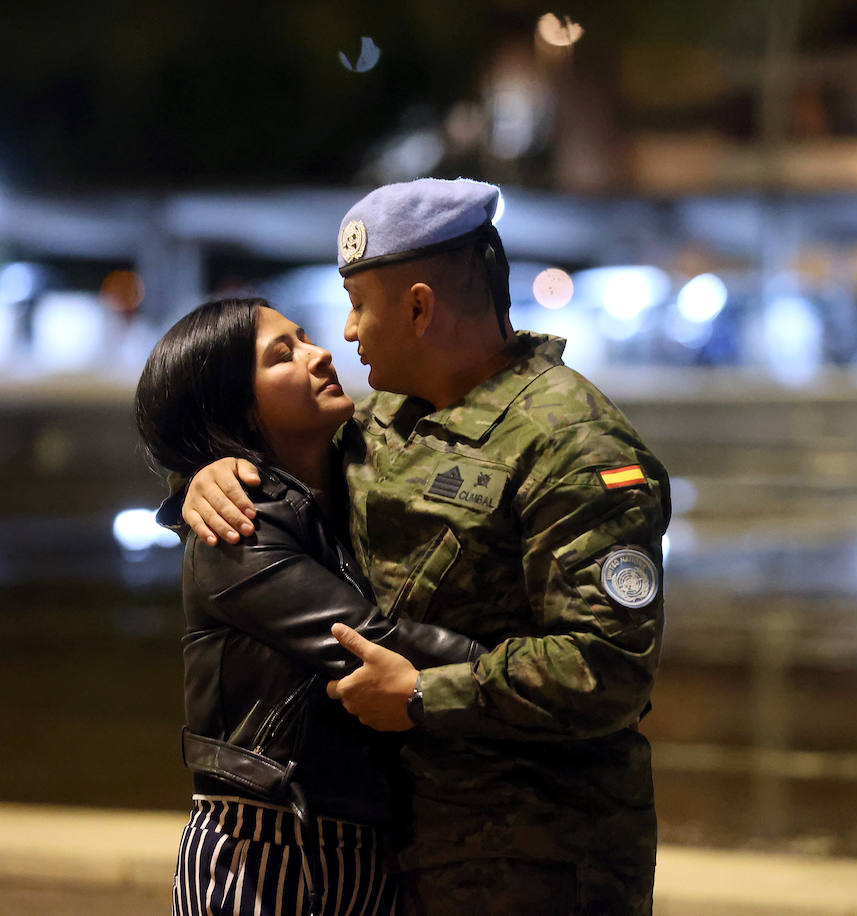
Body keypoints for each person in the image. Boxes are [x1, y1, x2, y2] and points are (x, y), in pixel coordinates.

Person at [181, 178, 671, 915]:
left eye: (358, 306)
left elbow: (609, 668)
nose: (346, 334)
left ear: (418, 307)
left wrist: (419, 696)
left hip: (542, 864)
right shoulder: (379, 427)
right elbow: (279, 467)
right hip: (396, 851)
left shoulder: (572, 443)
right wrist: (208, 471)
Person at [134, 297, 489, 915]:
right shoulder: (237, 532)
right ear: (240, 408)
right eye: (283, 354)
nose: (320, 352)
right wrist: (533, 674)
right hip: (268, 849)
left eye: (303, 338)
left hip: (359, 846)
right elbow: (368, 639)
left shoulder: (343, 494)